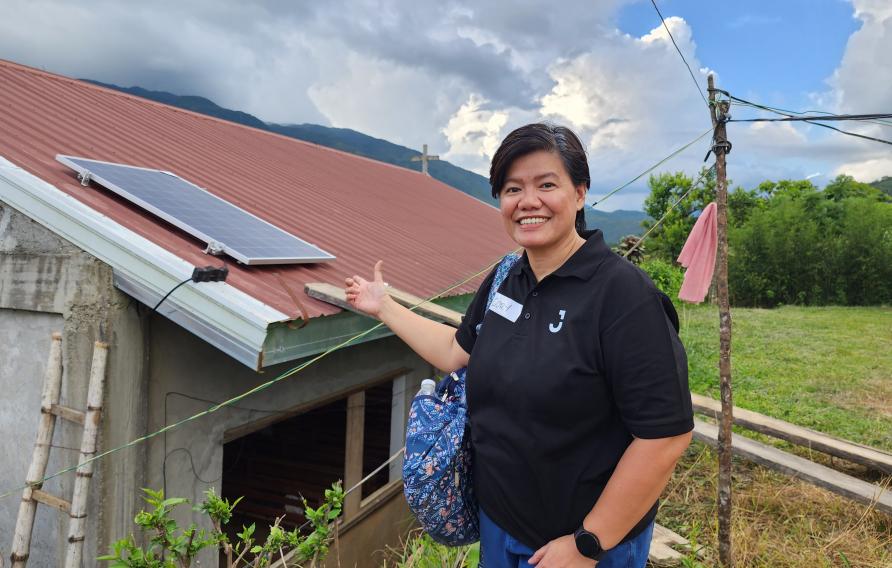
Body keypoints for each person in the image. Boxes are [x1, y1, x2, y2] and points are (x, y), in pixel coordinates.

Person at [345, 123, 694, 568]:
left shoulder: (624, 297)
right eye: (512, 189)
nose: (527, 201)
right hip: (501, 525)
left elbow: (665, 436)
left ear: (580, 193)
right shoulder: (507, 278)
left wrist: (589, 542)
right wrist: (385, 307)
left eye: (546, 184)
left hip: (586, 543)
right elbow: (456, 351)